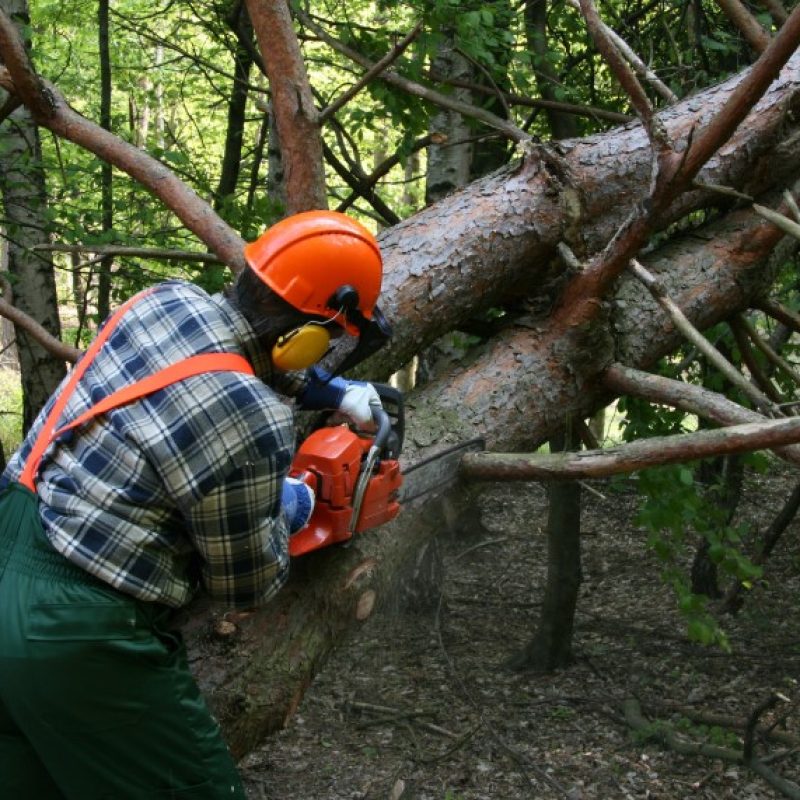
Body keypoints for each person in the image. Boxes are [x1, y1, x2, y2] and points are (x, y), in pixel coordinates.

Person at [0, 210, 392, 799]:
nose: (328, 348)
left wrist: (335, 390)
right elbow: (247, 585)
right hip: (75, 630)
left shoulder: (162, 300)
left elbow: (220, 358)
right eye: (329, 340)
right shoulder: (249, 416)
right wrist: (296, 500)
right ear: (307, 337)